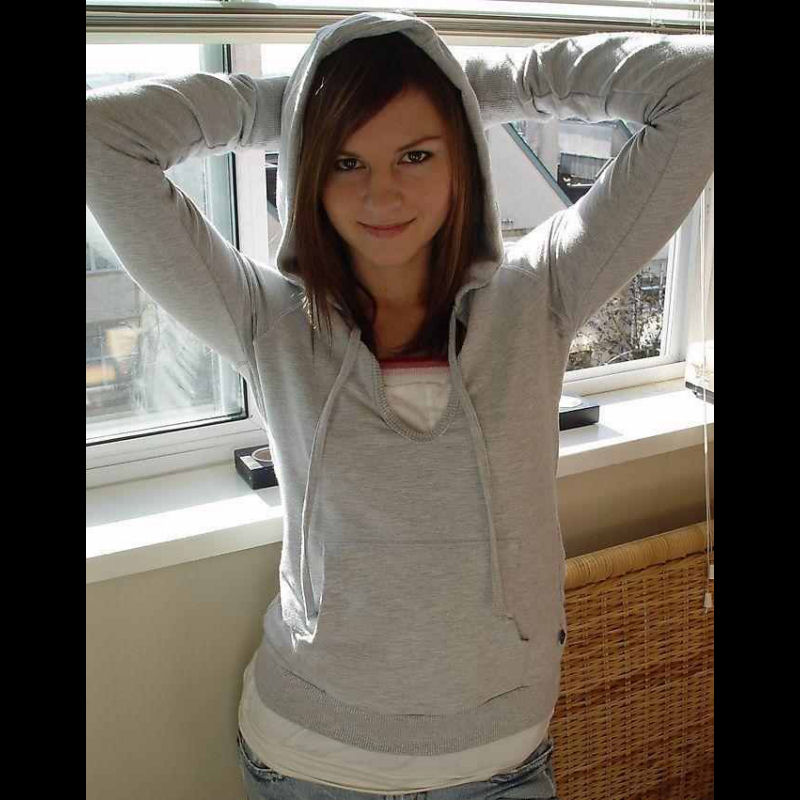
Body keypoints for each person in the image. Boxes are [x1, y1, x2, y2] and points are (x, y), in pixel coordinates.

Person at [85, 9, 713, 799]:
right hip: (310, 763)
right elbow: (104, 137)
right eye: (345, 160)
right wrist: (300, 99)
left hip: (502, 767)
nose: (381, 192)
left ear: (463, 155)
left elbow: (698, 87)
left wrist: (470, 88)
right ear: (310, 169)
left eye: (416, 153)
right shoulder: (269, 321)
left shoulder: (539, 294)